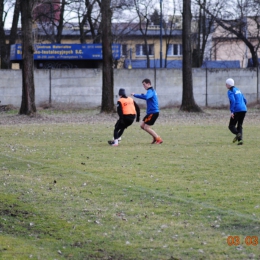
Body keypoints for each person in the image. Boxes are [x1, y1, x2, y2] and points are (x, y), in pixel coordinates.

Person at [131, 78, 163, 144]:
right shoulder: (151, 91)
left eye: (144, 85)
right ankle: (154, 137)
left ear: (148, 84)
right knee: (142, 125)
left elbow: (147, 97)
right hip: (150, 112)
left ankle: (158, 139)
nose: (144, 86)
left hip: (153, 112)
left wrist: (135, 95)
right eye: (143, 85)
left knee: (146, 127)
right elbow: (147, 97)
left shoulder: (150, 91)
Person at [226, 78, 247, 145]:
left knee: (231, 126)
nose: (225, 85)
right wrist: (243, 107)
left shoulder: (230, 91)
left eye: (226, 84)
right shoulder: (238, 90)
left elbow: (233, 101)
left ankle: (238, 134)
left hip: (237, 110)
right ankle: (240, 141)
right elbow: (245, 100)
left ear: (229, 85)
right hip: (244, 109)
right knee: (239, 125)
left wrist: (232, 111)